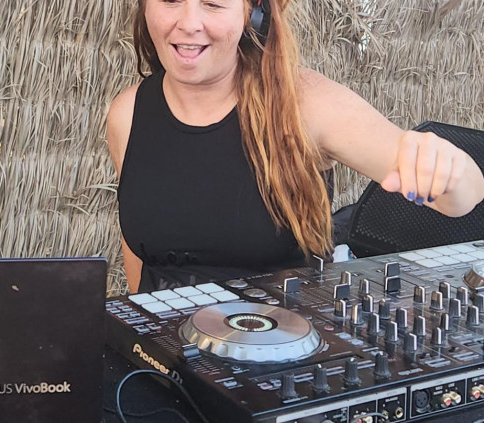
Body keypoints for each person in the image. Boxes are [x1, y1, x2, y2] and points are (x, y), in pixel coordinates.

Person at [106, 0, 484, 293]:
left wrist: (448, 169)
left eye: (213, 3)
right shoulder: (127, 113)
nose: (189, 23)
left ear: (251, 11)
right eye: (170, 0)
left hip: (278, 354)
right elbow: (137, 253)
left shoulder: (306, 104)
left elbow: (462, 197)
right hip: (160, 357)